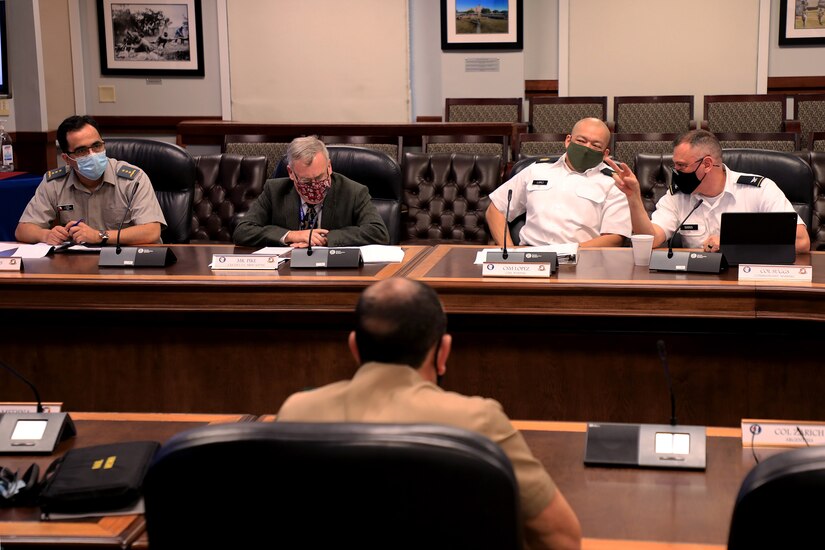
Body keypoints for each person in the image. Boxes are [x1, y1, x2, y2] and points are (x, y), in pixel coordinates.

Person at [277, 278, 582, 550]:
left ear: (354, 347)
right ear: (443, 351)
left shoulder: (296, 413)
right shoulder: (477, 422)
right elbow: (561, 538)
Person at [607, 129, 810, 253]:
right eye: (674, 165)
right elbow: (650, 240)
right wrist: (633, 197)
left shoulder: (759, 189)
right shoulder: (677, 196)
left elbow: (801, 241)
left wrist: (733, 242)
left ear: (706, 164)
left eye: (682, 166)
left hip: (749, 279)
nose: (675, 172)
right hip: (697, 283)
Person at [15, 115, 166, 246]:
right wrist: (46, 235)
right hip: (79, 265)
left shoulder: (133, 179)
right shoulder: (55, 182)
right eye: (82, 151)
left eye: (96, 146)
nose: (92, 154)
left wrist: (99, 236)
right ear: (67, 159)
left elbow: (151, 231)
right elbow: (23, 230)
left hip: (128, 261)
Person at [486, 117, 631, 248]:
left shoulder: (614, 182)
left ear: (605, 153)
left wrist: (568, 252)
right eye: (581, 141)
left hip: (581, 259)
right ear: (568, 141)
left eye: (595, 145)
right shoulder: (536, 170)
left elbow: (615, 237)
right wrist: (510, 251)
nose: (586, 148)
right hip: (530, 255)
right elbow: (496, 210)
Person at [233, 136, 389, 248]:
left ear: (329, 167)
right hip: (287, 273)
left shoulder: (353, 191)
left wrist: (323, 238)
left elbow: (378, 232)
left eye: (320, 177)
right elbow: (243, 231)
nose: (315, 185)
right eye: (306, 181)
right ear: (291, 173)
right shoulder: (274, 190)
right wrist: (292, 235)